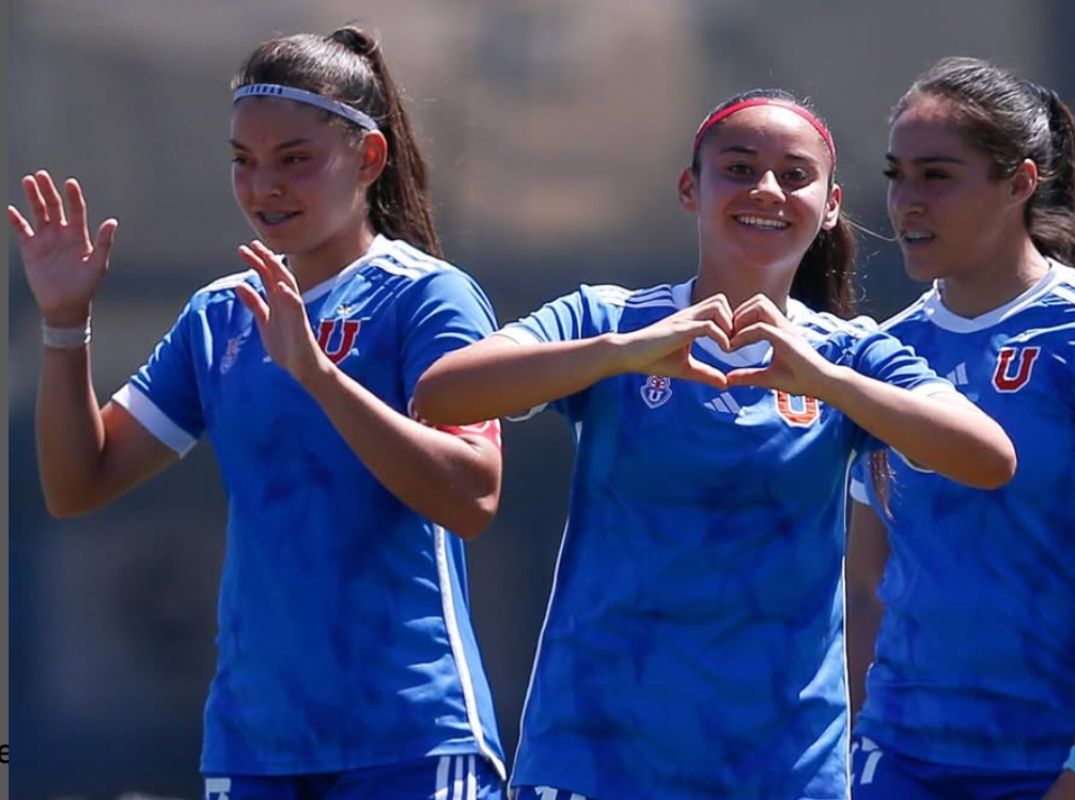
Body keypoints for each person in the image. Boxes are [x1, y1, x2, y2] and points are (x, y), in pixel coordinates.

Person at [413, 88, 1016, 800]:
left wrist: (828, 382)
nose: (765, 189)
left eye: (794, 175)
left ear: (829, 207)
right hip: (595, 756)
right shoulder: (612, 319)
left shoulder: (851, 355)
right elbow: (441, 394)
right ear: (689, 189)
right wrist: (620, 353)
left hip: (783, 769)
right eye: (738, 168)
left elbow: (988, 457)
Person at [9, 26, 506, 800]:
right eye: (243, 162)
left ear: (368, 159)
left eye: (294, 159)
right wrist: (65, 324)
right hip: (254, 745)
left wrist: (318, 376)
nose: (263, 186)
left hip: (408, 736)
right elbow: (77, 484)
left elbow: (474, 495)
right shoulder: (219, 317)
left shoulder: (428, 297)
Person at [846, 57, 1075, 800]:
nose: (906, 201)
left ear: (1020, 182)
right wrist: (853, 745)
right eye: (896, 174)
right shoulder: (883, 355)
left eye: (937, 176)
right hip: (907, 761)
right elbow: (865, 585)